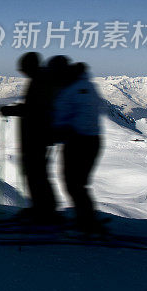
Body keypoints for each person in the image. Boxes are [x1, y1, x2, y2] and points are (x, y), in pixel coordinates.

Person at [0, 52, 59, 223]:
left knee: (36, 174)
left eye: (24, 68)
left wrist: (11, 110)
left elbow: (33, 109)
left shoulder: (39, 81)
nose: (22, 71)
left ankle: (44, 211)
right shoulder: (42, 79)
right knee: (38, 174)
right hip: (40, 135)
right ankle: (44, 208)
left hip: (37, 136)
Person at [49, 56, 104, 234]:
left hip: (78, 141)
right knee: (78, 184)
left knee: (73, 183)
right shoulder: (87, 85)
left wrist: (58, 132)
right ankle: (86, 219)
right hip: (92, 140)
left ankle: (87, 222)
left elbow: (65, 114)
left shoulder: (73, 89)